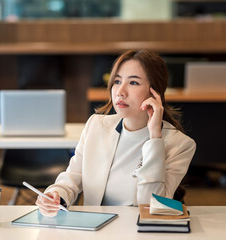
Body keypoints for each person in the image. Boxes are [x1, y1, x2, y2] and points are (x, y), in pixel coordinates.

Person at [36, 49, 196, 216]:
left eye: (133, 83)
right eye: (117, 81)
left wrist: (155, 138)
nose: (120, 91)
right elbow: (72, 179)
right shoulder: (96, 126)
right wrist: (55, 195)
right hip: (97, 229)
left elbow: (152, 207)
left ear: (155, 91)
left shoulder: (181, 145)